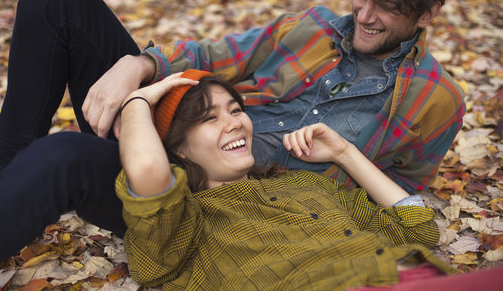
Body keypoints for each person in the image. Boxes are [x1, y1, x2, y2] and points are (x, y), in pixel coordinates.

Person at [0, 0, 463, 276]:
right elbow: (211, 54)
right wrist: (136, 68)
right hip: (177, 117)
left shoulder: (436, 102)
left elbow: (398, 194)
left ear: (428, 12)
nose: (365, 15)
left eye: (387, 6)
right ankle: (7, 175)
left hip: (210, 202)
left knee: (66, 158)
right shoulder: (311, 26)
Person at [117, 70, 502, 290]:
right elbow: (148, 170)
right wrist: (137, 101)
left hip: (415, 276)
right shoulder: (186, 225)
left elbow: (418, 230)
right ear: (179, 149)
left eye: (235, 109)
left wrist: (345, 154)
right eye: (209, 118)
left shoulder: (306, 186)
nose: (234, 121)